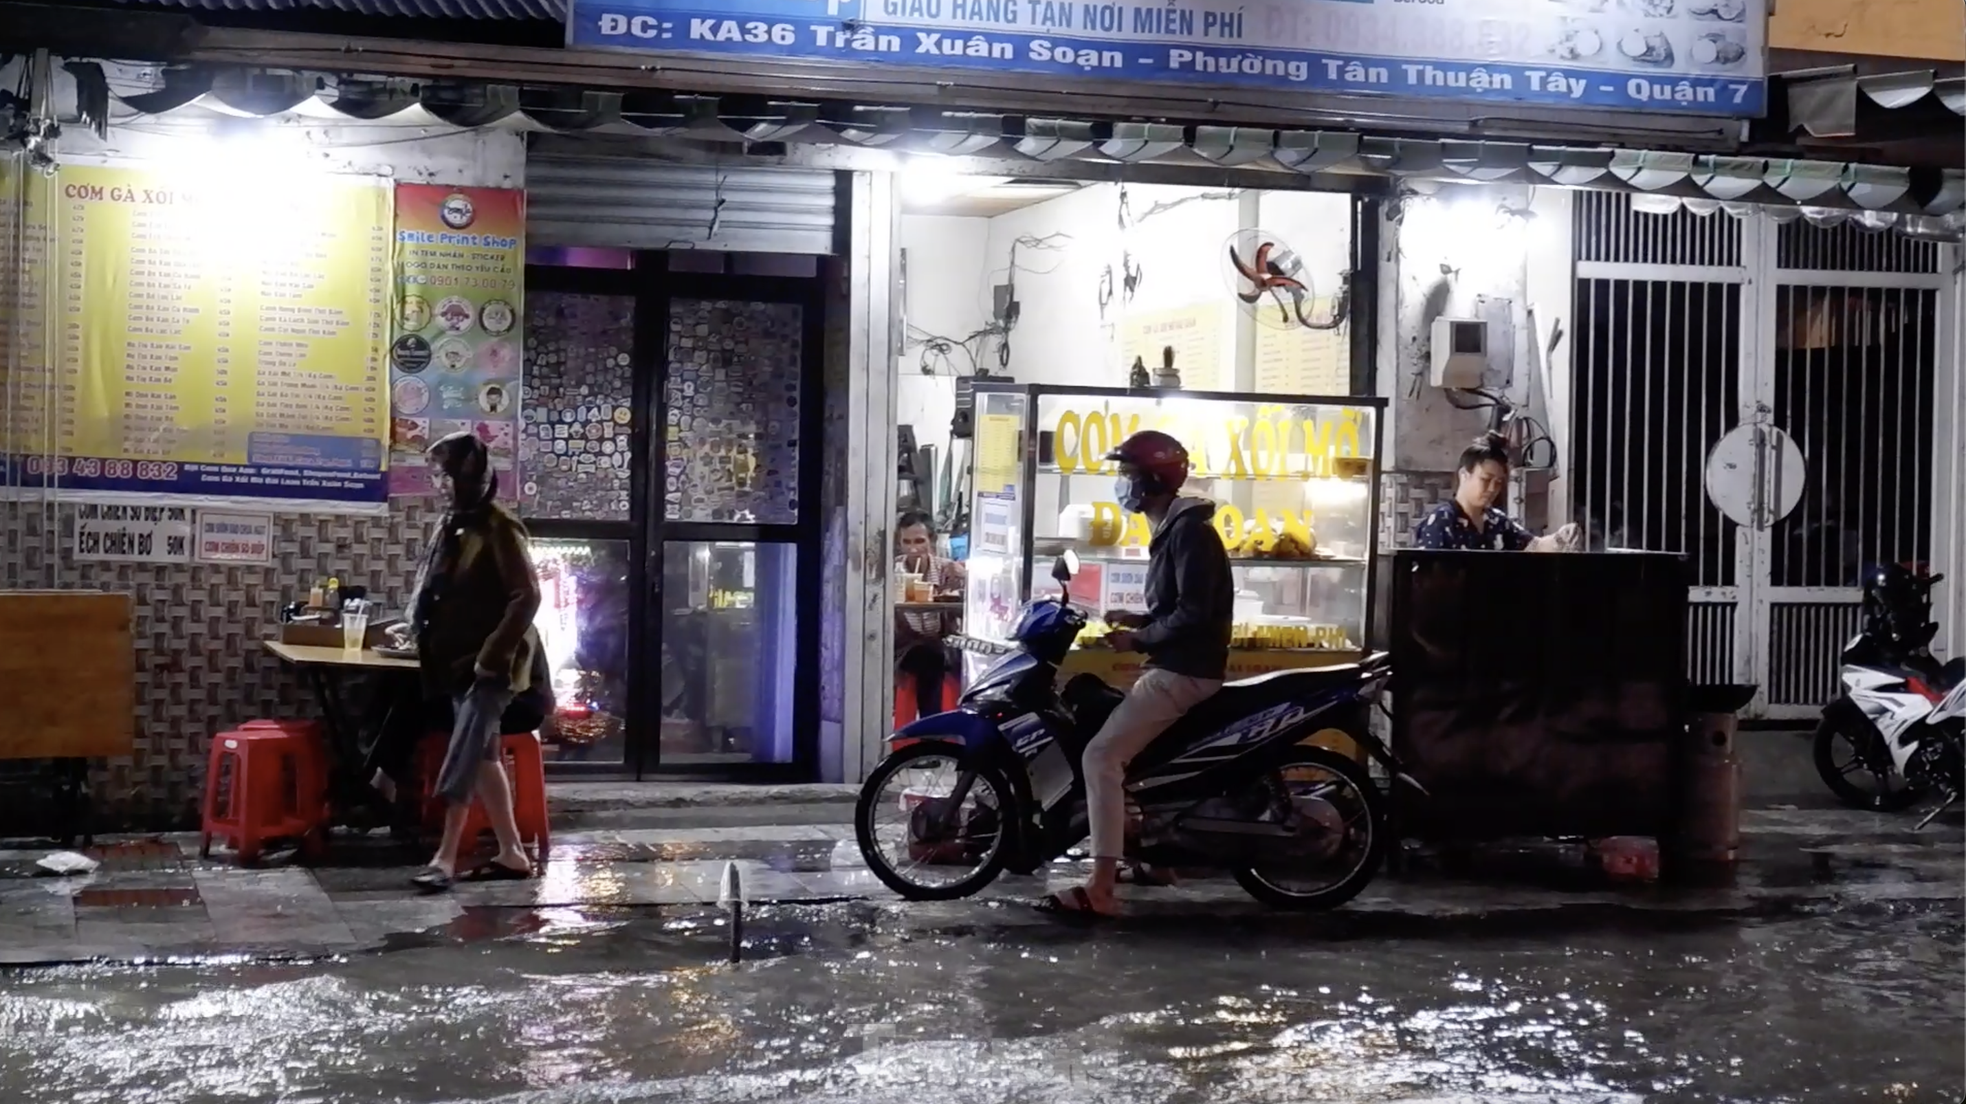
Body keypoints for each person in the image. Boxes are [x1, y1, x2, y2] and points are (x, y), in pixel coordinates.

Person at [1040, 430, 1234, 918]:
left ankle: (1101, 885)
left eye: (1127, 474)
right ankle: (1154, 860)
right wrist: (1141, 622)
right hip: (1173, 666)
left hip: (1184, 673)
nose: (1121, 484)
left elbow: (1194, 613)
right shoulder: (1173, 529)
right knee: (1132, 753)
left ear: (1151, 479)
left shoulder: (1189, 532)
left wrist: (1139, 639)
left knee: (1101, 757)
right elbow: (1182, 608)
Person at [405, 431, 546, 893]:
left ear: (468, 477)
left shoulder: (499, 528)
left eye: (443, 474)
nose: (437, 484)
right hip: (454, 663)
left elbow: (527, 596)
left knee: (463, 753)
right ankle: (512, 854)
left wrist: (491, 656)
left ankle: (444, 858)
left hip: (490, 669)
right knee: (484, 757)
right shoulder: (454, 525)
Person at [1413, 432, 1582, 552]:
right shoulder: (1441, 522)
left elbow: (1533, 546)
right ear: (1464, 475)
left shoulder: (1496, 521)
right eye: (1486, 480)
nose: (1493, 488)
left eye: (1498, 482)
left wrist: (1560, 539)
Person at [894, 510, 966, 719]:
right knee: (929, 658)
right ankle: (930, 722)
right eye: (906, 542)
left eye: (919, 541)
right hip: (905, 644)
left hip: (943, 639)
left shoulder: (946, 569)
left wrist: (965, 578)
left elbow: (972, 597)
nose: (913, 548)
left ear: (931, 542)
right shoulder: (892, 571)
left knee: (961, 658)